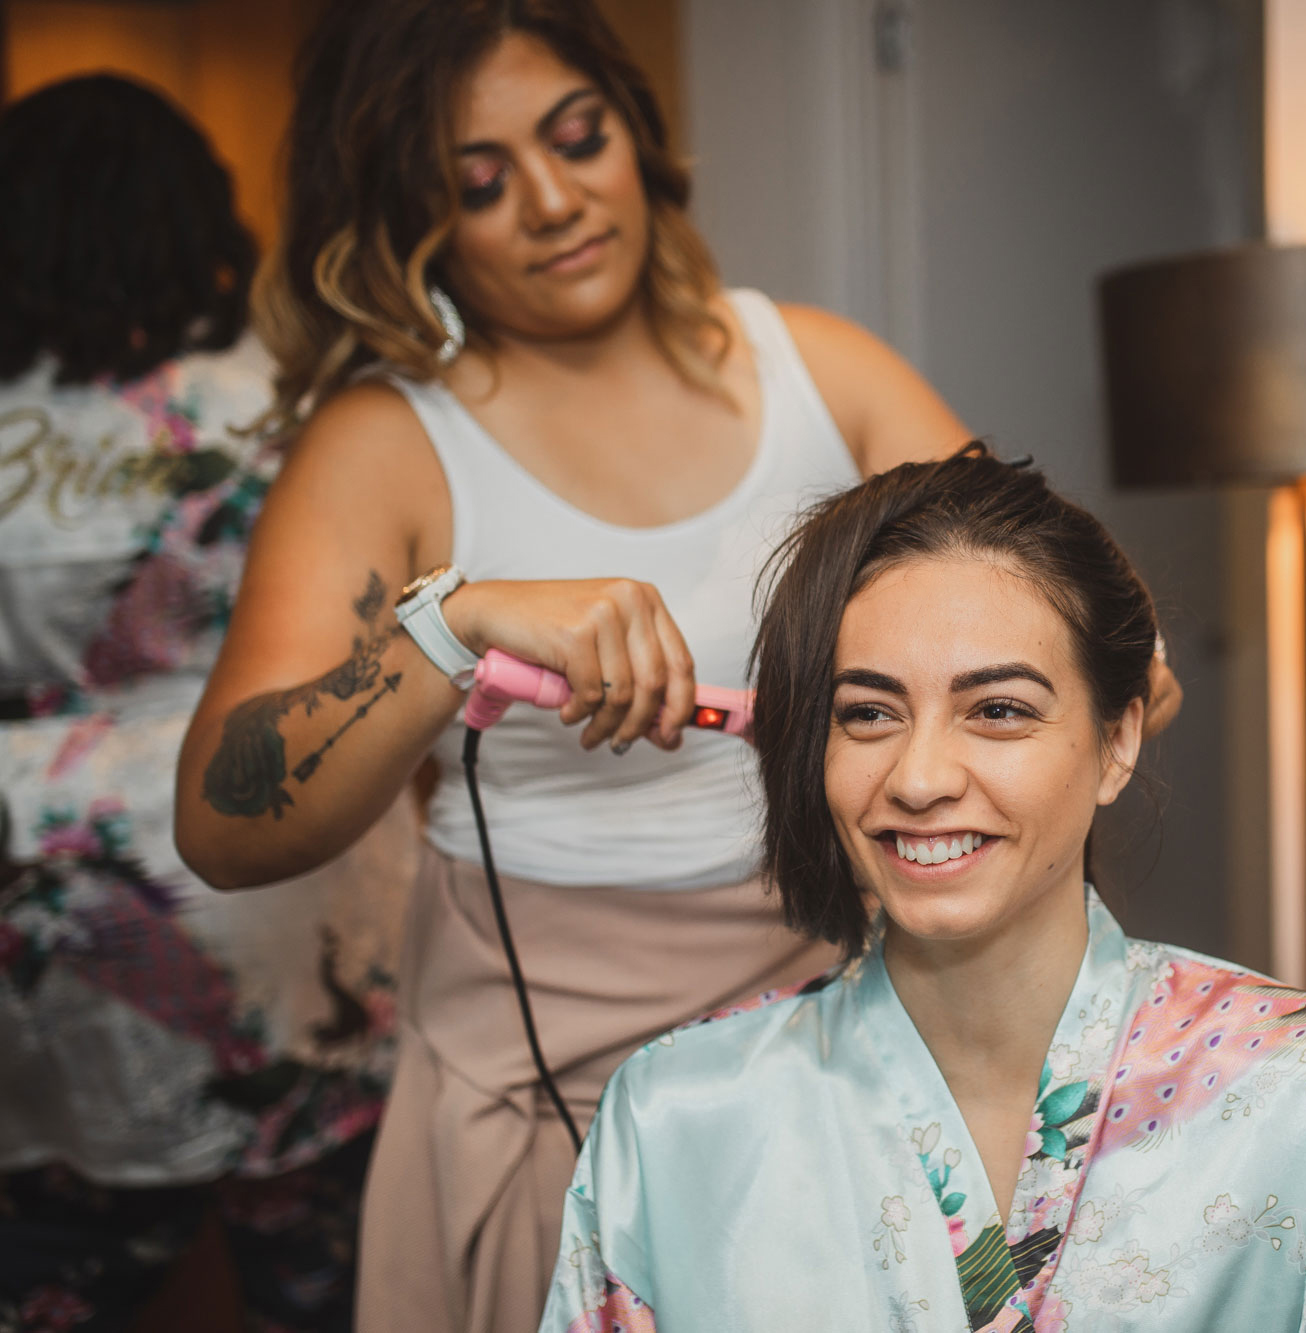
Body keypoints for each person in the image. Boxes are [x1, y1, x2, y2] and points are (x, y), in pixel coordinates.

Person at [173, 1, 1181, 1327]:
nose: (550, 200)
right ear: (412, 222)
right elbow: (222, 824)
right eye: (480, 183)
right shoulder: (383, 447)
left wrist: (1076, 676)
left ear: (635, 136)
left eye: (577, 136)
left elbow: (1115, 653)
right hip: (545, 1084)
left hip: (850, 1044)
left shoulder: (828, 374)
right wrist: (455, 626)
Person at [539, 447, 1306, 1333]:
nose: (921, 776)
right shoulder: (674, 1117)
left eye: (999, 710)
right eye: (868, 714)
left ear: (1118, 738)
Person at [0, 76, 414, 1331]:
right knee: (324, 1277)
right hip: (272, 865)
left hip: (37, 880)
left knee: (57, 1259)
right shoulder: (293, 411)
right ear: (206, 223)